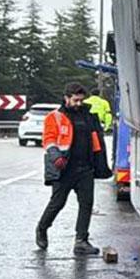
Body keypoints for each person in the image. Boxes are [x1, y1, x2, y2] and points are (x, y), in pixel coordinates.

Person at [35, 83, 110, 256]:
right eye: (75, 100)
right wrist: (56, 157)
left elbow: (96, 141)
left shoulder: (88, 116)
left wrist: (100, 164)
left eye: (81, 100)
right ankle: (42, 228)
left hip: (85, 168)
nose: (78, 104)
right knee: (57, 203)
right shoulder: (55, 117)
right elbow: (49, 140)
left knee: (86, 204)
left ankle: (81, 241)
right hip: (64, 168)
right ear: (66, 98)